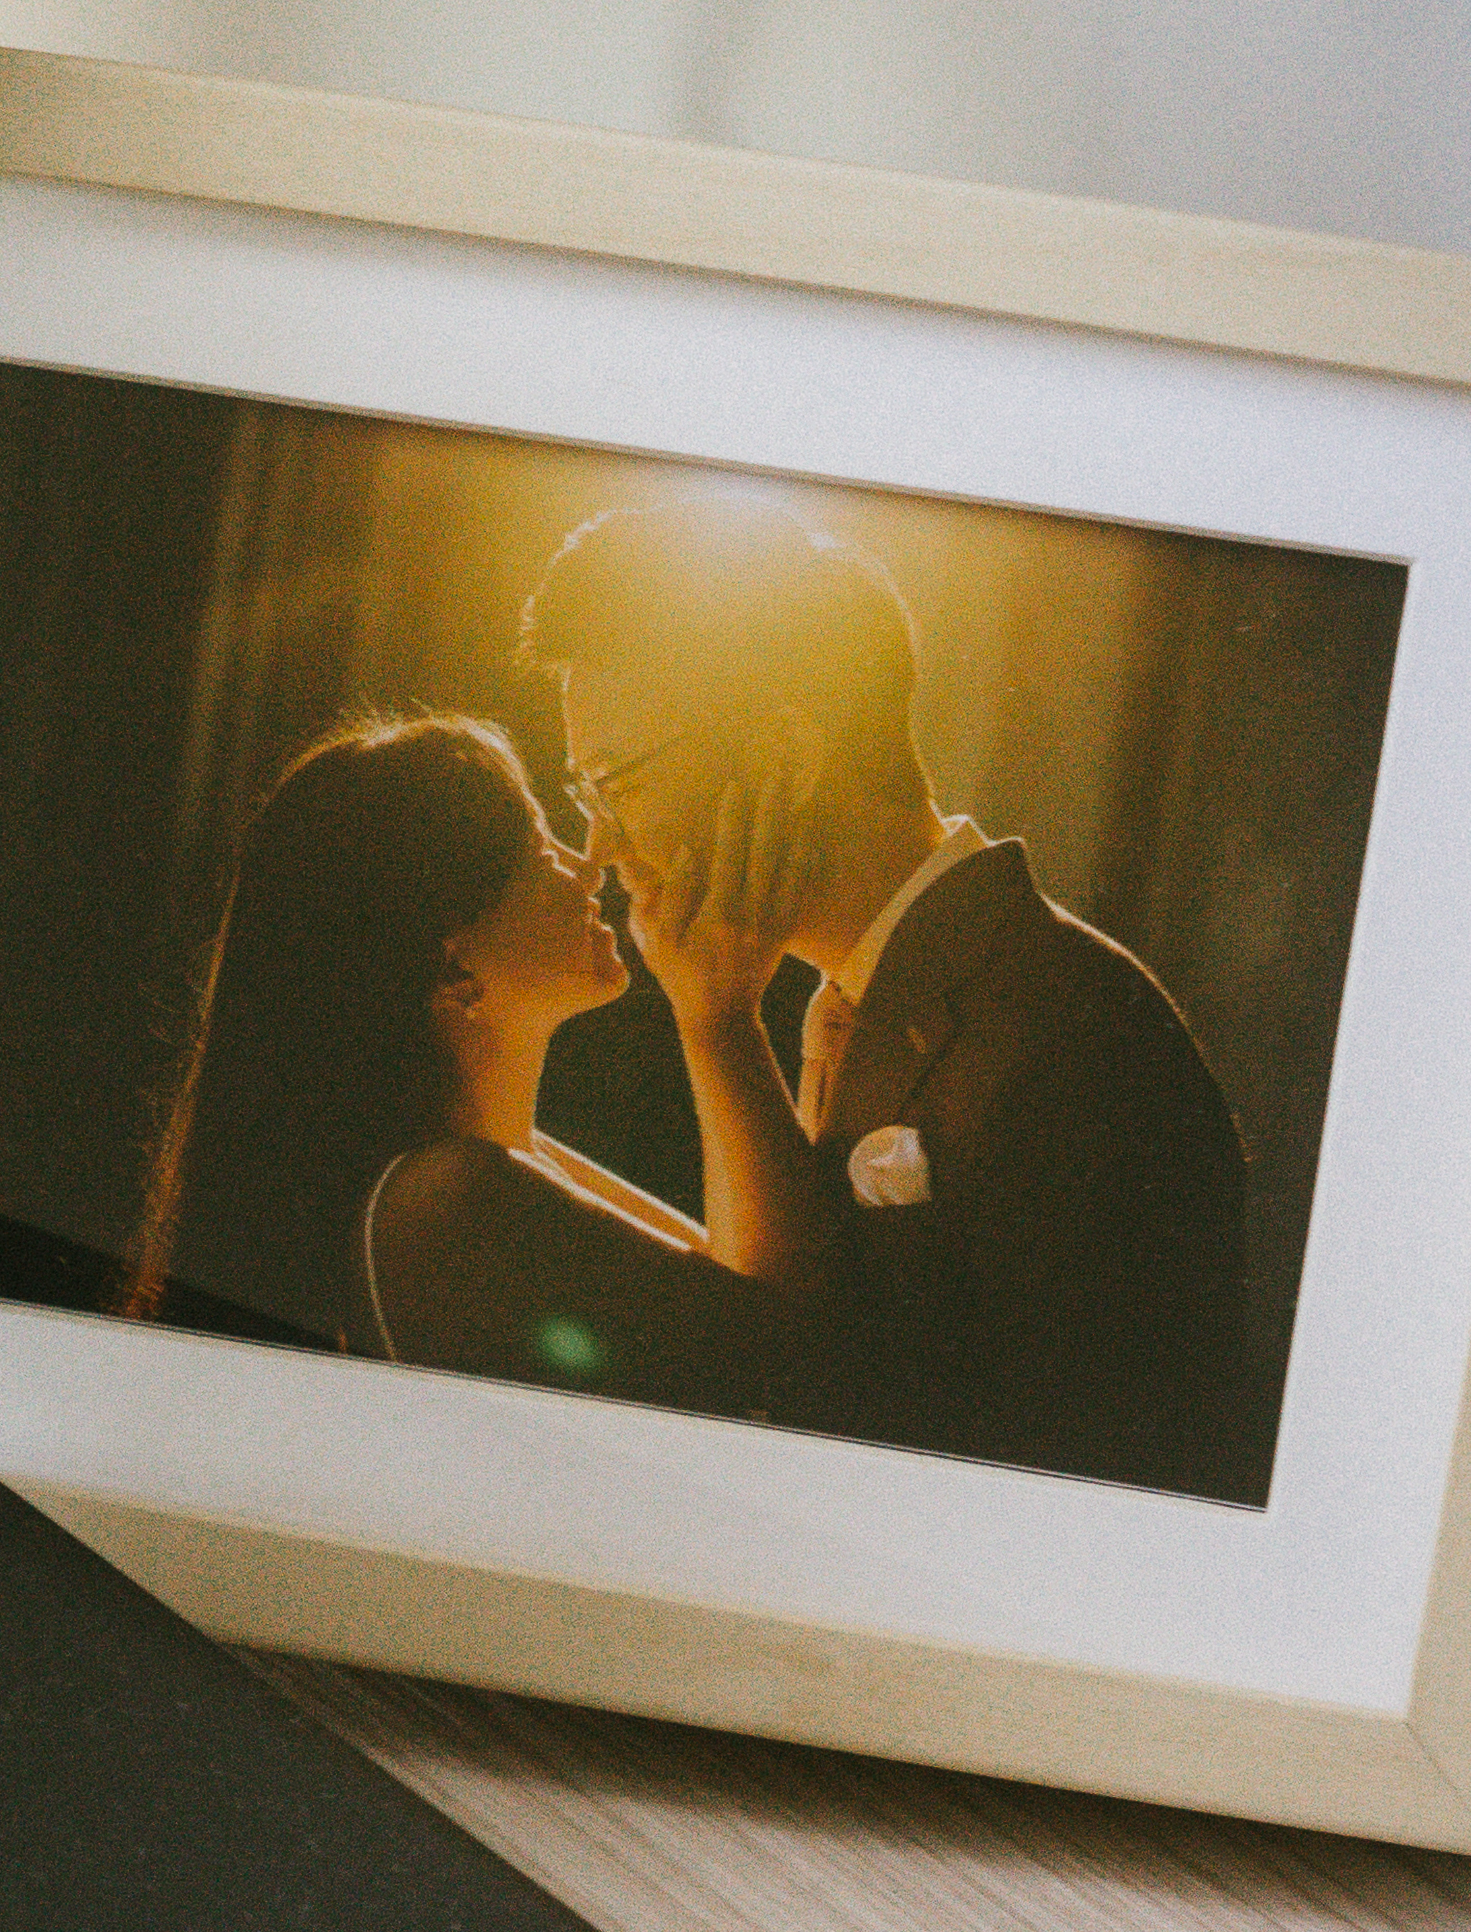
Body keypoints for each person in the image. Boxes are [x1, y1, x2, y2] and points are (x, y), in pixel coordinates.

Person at [517, 494, 1257, 1498]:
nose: (601, 844)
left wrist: (715, 1024)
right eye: (582, 793)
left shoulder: (1057, 1028)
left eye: (616, 778)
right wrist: (712, 1021)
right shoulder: (859, 1001)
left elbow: (798, 1380)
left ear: (785, 752)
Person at [126, 708, 844, 1413]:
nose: (588, 865)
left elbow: (741, 1281)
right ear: (450, 963)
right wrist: (717, 1015)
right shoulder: (450, 1199)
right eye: (539, 851)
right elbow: (797, 1361)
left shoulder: (509, 1160)